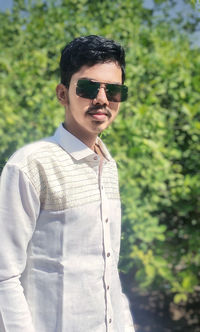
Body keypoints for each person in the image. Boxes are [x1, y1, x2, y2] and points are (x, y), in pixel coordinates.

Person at [0, 35, 135, 332]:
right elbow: (4, 276)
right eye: (88, 87)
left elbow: (109, 270)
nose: (102, 99)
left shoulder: (108, 166)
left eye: (113, 90)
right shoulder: (30, 166)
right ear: (63, 93)